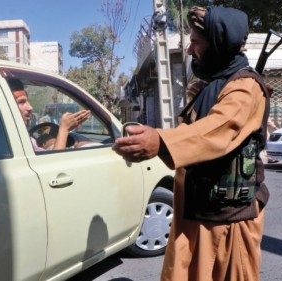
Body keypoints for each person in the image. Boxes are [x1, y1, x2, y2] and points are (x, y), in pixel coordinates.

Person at [114, 5, 269, 281]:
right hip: (198, 212)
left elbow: (217, 131)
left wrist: (160, 141)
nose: (189, 50)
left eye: (196, 43)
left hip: (229, 221)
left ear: (218, 46)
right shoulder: (214, 85)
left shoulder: (245, 88)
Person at [7, 79, 90, 151]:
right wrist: (64, 129)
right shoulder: (13, 140)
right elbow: (54, 164)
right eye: (21, 102)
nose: (30, 107)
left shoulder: (18, 135)